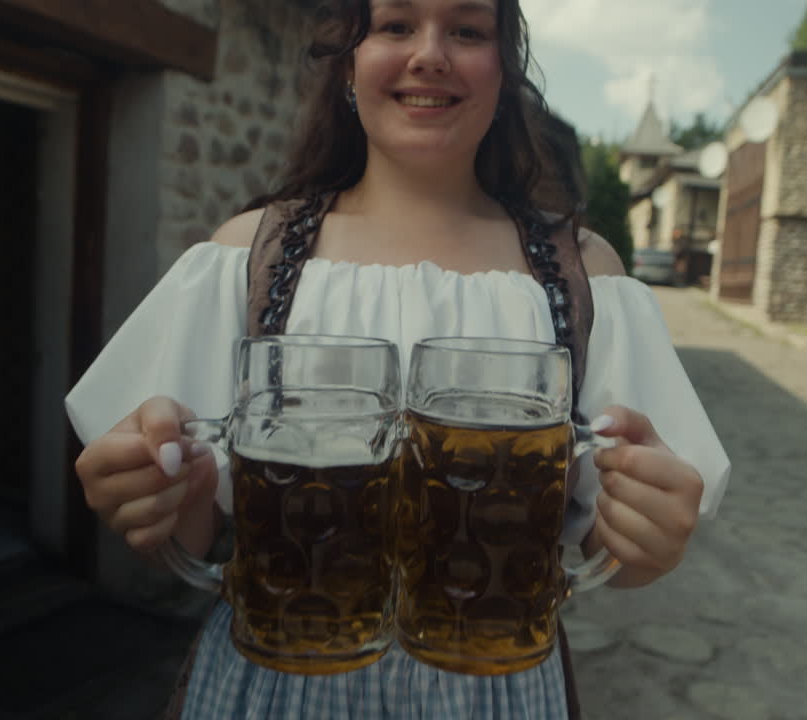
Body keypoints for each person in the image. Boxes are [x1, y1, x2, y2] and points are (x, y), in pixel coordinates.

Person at [65, 0, 731, 717]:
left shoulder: (582, 274)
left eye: (467, 31)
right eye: (395, 25)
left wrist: (646, 543)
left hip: (495, 685)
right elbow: (194, 528)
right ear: (349, 63)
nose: (430, 54)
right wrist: (157, 496)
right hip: (280, 677)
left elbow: (617, 545)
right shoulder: (246, 257)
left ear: (503, 72)